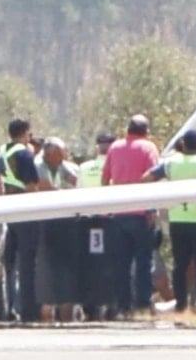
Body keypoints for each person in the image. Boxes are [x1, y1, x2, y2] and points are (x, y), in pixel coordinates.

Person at [142, 129, 196, 312]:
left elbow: (146, 178)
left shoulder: (170, 163)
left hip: (178, 219)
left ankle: (181, 303)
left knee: (180, 264)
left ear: (183, 144)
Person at [102, 115, 160, 317]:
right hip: (141, 213)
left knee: (121, 263)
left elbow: (105, 178)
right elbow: (153, 177)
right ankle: (142, 304)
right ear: (146, 131)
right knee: (143, 262)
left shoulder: (115, 147)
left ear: (128, 130)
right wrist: (152, 209)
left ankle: (122, 305)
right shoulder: (148, 148)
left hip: (118, 213)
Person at [34, 137, 81, 322]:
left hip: (66, 224)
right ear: (48, 154)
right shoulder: (38, 166)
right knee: (47, 270)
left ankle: (66, 316)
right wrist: (65, 193)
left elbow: (75, 184)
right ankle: (46, 315)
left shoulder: (66, 167)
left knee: (67, 271)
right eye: (59, 155)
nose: (63, 158)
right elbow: (45, 188)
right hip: (45, 224)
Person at [0, 118, 43, 322]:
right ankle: (29, 310)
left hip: (7, 211)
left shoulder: (3, 151)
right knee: (27, 263)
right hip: (25, 211)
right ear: (25, 133)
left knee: (9, 263)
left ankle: (9, 307)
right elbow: (32, 185)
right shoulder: (23, 153)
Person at [77, 132, 116, 321]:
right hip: (109, 220)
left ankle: (90, 306)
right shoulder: (114, 165)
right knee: (110, 264)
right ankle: (111, 303)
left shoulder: (84, 167)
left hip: (87, 221)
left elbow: (78, 191)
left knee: (90, 264)